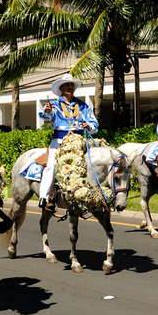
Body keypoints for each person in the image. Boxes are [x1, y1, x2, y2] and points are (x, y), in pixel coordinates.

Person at [38, 73, 99, 212]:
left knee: (95, 162)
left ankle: (95, 195)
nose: (70, 87)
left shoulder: (83, 106)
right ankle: (44, 196)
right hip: (60, 140)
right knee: (51, 165)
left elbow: (94, 123)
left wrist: (88, 126)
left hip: (79, 140)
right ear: (61, 88)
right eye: (67, 85)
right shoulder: (53, 105)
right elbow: (44, 115)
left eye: (72, 85)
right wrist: (46, 111)